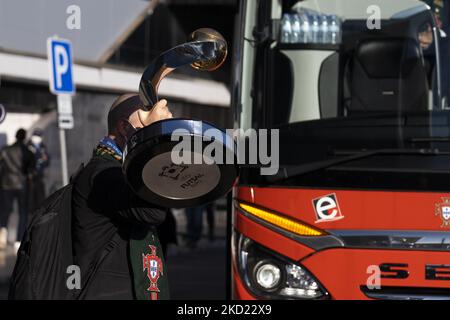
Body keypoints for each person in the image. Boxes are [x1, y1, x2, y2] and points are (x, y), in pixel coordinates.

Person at [71, 94, 173, 300]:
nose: (153, 133)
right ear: (124, 128)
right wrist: (156, 143)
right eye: (147, 125)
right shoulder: (102, 173)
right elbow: (151, 211)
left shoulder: (123, 171)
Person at [0, 129, 35, 251]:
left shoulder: (5, 150)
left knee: (5, 210)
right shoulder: (27, 152)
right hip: (21, 185)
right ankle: (19, 240)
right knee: (23, 212)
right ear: (24, 137)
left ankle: (2, 236)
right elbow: (31, 169)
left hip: (6, 184)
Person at [27, 128, 50, 212]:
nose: (36, 138)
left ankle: (39, 212)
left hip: (40, 176)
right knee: (31, 198)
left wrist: (45, 159)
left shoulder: (43, 147)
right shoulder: (28, 146)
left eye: (38, 136)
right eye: (35, 136)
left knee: (40, 197)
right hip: (30, 176)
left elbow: (47, 161)